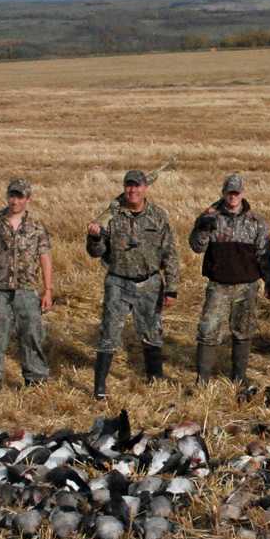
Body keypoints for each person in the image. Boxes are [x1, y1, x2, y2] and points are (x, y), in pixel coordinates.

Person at [86, 170, 180, 400]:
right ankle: (99, 388)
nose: (133, 190)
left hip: (150, 283)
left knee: (152, 333)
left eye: (137, 186)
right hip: (118, 282)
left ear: (146, 188)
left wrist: (171, 288)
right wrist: (95, 238)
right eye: (129, 186)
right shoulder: (111, 216)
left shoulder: (158, 215)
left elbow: (169, 253)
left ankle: (155, 382)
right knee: (109, 334)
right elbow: (95, 253)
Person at [189, 174, 270, 385]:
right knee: (208, 330)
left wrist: (269, 280)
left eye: (236, 193)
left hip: (247, 287)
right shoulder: (211, 218)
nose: (233, 196)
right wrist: (202, 226)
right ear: (223, 193)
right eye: (229, 192)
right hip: (218, 285)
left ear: (243, 194)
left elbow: (264, 254)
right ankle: (202, 381)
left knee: (243, 331)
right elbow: (197, 247)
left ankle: (239, 377)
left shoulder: (256, 223)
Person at [0, 178, 53, 394]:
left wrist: (48, 290)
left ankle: (36, 383)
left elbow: (44, 257)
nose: (15, 201)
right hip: (0, 290)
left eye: (19, 197)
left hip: (28, 290)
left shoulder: (36, 225)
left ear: (28, 199)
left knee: (32, 336)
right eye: (12, 195)